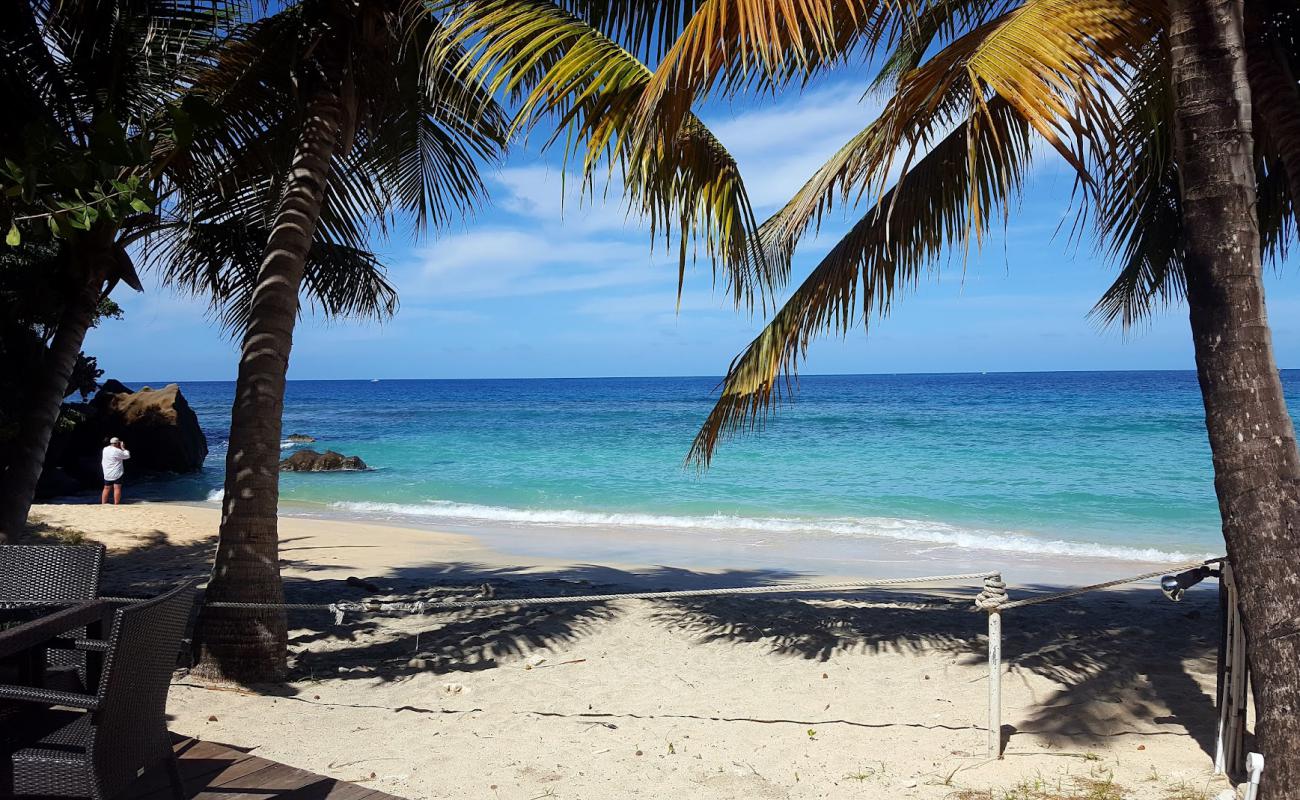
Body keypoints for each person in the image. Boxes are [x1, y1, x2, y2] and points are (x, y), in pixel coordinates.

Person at [100, 437, 130, 505]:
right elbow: (127, 456)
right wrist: (123, 448)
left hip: (107, 472)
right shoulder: (117, 451)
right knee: (117, 487)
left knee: (106, 487)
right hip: (117, 472)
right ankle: (116, 504)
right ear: (117, 443)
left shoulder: (105, 449)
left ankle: (103, 503)